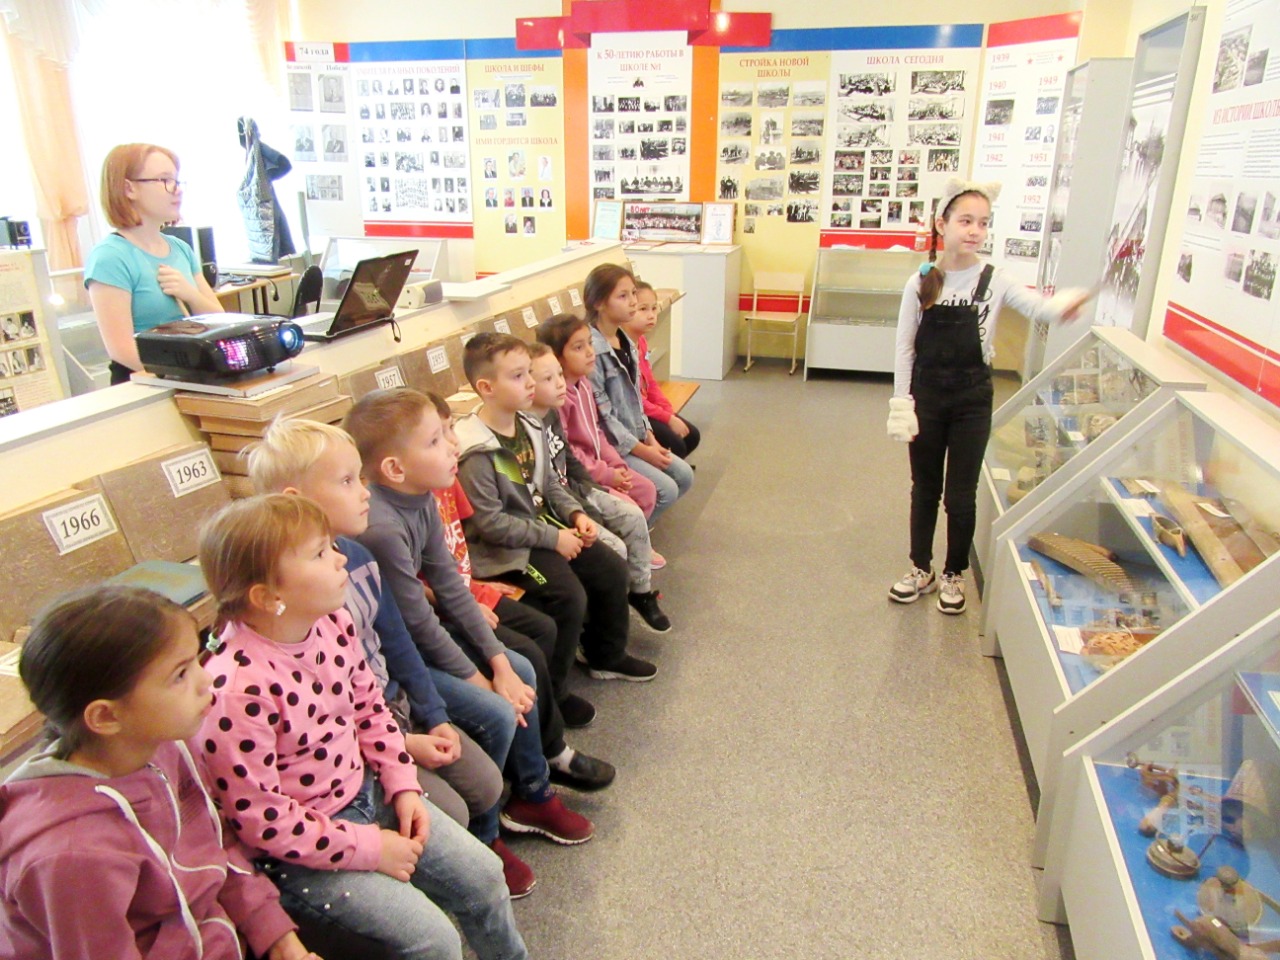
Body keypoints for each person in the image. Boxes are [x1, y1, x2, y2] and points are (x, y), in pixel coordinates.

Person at [197, 495, 528, 959]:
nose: (340, 559)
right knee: (434, 941)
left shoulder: (331, 620)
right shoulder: (236, 690)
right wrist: (369, 847)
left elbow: (370, 710)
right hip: (301, 850)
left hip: (366, 791)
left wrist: (402, 784)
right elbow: (264, 822)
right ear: (269, 597)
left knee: (485, 876)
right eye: (320, 553)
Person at [343, 390, 605, 897]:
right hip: (404, 659)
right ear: (395, 468)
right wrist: (481, 680)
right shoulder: (381, 528)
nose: (452, 446)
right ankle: (487, 833)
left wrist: (497, 664)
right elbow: (417, 625)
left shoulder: (420, 498)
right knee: (496, 708)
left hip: (423, 639)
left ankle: (530, 794)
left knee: (520, 669)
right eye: (436, 440)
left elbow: (450, 586)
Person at [2, 585, 315, 960]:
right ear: (106, 716)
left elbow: (216, 847)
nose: (206, 680)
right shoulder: (72, 858)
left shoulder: (161, 742)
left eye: (196, 660)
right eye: (180, 675)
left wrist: (278, 938)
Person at [243, 418, 503, 837]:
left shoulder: (359, 555)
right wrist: (403, 742)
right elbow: (329, 708)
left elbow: (399, 645)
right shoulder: (297, 598)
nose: (366, 492)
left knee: (487, 777)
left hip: (391, 703)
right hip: (359, 735)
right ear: (297, 501)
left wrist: (434, 714)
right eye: (348, 481)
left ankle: (488, 838)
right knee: (453, 809)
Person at [887, 178, 1090, 614]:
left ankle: (953, 573)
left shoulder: (995, 279)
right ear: (942, 224)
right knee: (924, 487)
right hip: (926, 398)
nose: (975, 230)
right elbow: (904, 347)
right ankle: (920, 568)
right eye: (965, 221)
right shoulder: (920, 282)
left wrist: (1064, 307)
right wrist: (903, 404)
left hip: (972, 400)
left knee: (961, 495)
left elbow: (1037, 306)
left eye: (983, 222)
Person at [454, 333, 657, 689]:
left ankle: (605, 656)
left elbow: (548, 484)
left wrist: (577, 515)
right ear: (487, 388)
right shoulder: (479, 450)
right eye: (518, 376)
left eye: (528, 373)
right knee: (567, 596)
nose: (530, 383)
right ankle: (556, 693)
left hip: (539, 528)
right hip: (505, 550)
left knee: (611, 567)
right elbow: (491, 524)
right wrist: (555, 538)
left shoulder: (529, 425)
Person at [528, 339, 671, 631]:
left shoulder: (550, 413)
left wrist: (596, 488)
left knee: (632, 515)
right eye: (548, 378)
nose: (559, 383)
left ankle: (640, 592)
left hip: (576, 489)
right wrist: (584, 506)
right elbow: (547, 486)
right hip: (558, 506)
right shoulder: (529, 424)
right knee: (614, 548)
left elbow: (569, 459)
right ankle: (599, 624)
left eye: (559, 375)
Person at [84, 144, 224, 384]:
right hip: (146, 384)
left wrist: (189, 294)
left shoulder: (180, 248)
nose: (177, 190)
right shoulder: (110, 257)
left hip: (191, 377)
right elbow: (121, 350)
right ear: (129, 188)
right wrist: (180, 377)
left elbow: (221, 320)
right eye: (165, 180)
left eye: (177, 181)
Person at [583, 263, 693, 525]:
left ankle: (639, 531)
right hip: (612, 445)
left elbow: (636, 400)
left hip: (635, 436)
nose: (633, 302)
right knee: (666, 489)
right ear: (599, 303)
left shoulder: (626, 340)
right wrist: (643, 450)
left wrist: (650, 438)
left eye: (633, 293)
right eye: (623, 296)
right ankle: (632, 537)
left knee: (684, 476)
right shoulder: (592, 350)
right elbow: (604, 418)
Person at [538, 312, 658, 519]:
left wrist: (617, 465)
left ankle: (637, 536)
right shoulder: (559, 400)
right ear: (557, 358)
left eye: (590, 343)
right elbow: (569, 452)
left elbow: (597, 431)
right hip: (582, 474)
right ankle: (627, 537)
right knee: (630, 509)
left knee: (647, 491)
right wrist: (607, 474)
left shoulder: (585, 384)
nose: (589, 352)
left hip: (601, 463)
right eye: (578, 347)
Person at [623, 280, 701, 459]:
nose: (651, 315)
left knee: (692, 436)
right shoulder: (622, 349)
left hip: (647, 408)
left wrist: (668, 412)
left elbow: (650, 383)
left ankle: (670, 467)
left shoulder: (641, 341)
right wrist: (667, 418)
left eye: (654, 308)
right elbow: (635, 400)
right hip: (634, 412)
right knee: (676, 444)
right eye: (643, 309)